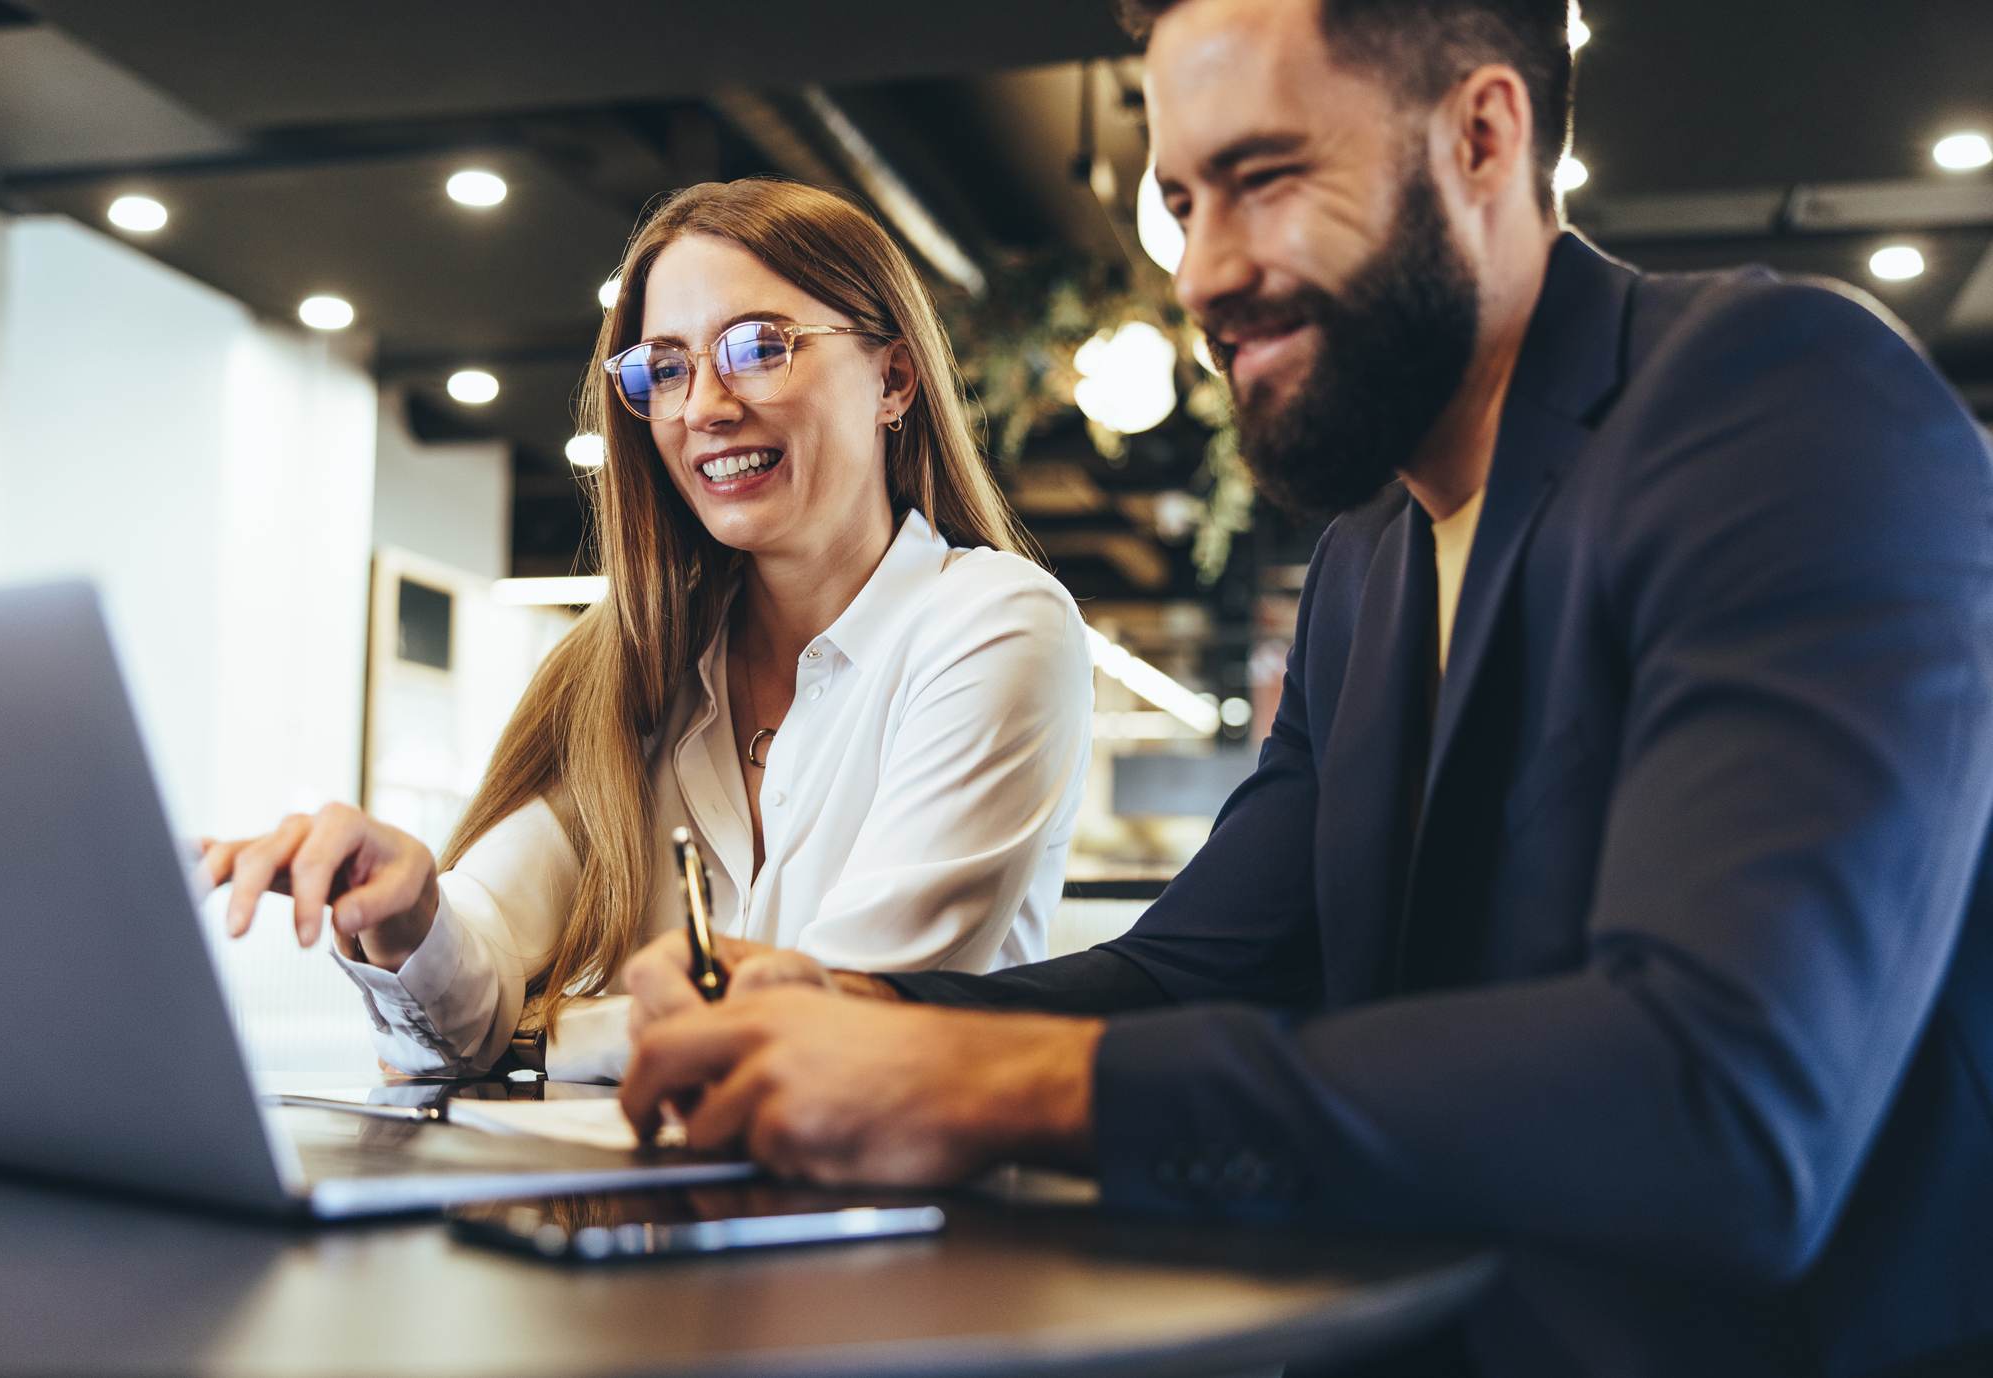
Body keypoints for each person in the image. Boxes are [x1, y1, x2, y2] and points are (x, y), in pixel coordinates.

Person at [615, 2, 1993, 1374]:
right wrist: (862, 1008)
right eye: (1175, 206)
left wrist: (1006, 1084)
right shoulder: (1368, 559)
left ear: (1479, 135)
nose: (1203, 272)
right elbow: (1197, 967)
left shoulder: (1784, 405)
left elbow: (1722, 1099)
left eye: (1262, 179)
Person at [197, 178, 1093, 1082]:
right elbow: (473, 975)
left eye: (757, 347)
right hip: (660, 1213)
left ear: (892, 378)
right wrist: (409, 914)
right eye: (664, 367)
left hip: (913, 1215)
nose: (704, 405)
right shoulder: (636, 667)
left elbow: (838, 1018)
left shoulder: (995, 625)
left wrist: (540, 1036)